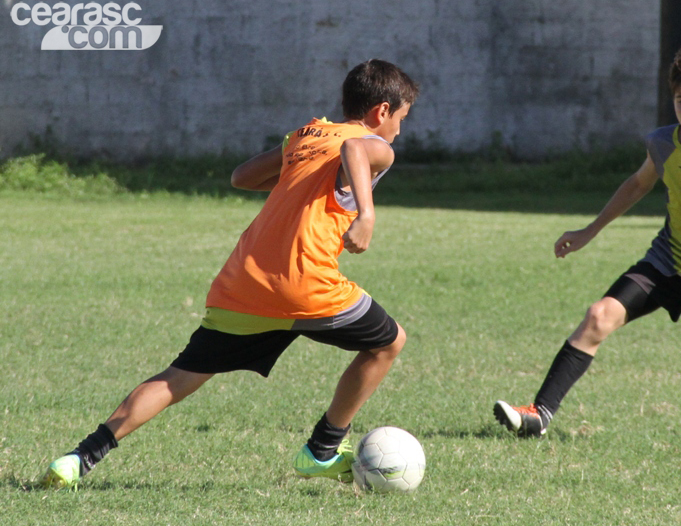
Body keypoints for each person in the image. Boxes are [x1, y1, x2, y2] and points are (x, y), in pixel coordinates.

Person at [39, 59, 419, 489]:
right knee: (390, 343)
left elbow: (242, 176)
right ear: (382, 111)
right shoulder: (373, 145)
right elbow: (355, 150)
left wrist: (296, 176)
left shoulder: (306, 135)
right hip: (304, 283)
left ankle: (78, 458)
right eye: (401, 119)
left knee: (177, 377)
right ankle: (322, 449)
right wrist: (365, 214)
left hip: (244, 283)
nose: (399, 132)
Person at [495, 47, 681, 442]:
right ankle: (539, 415)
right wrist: (589, 231)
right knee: (599, 315)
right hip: (671, 259)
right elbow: (638, 184)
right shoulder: (664, 143)